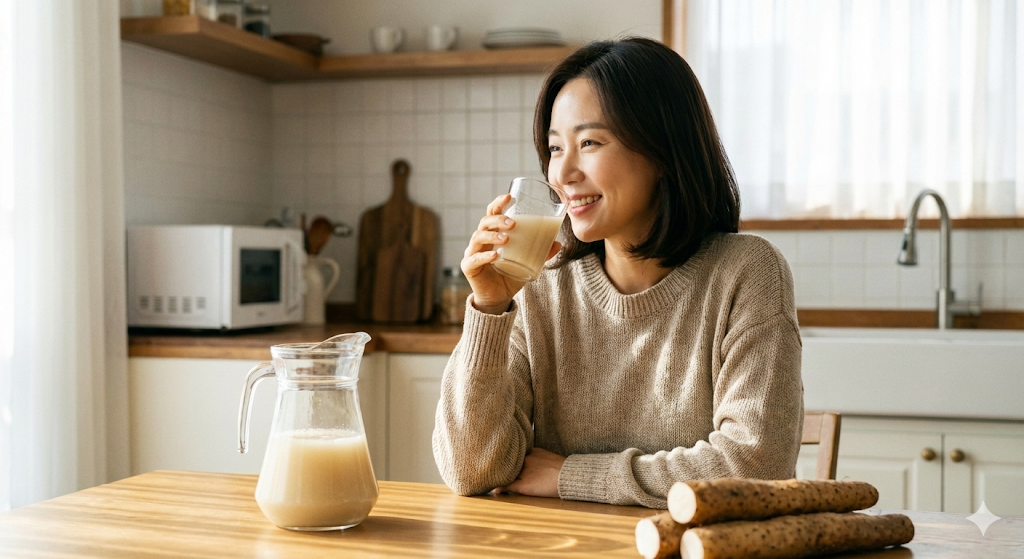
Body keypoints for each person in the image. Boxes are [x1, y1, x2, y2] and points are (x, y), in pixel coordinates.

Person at [432, 37, 804, 508]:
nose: (561, 173)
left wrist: (571, 475)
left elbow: (756, 469)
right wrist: (489, 307)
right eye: (553, 148)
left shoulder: (746, 272)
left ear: (663, 151)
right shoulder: (540, 284)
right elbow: (471, 470)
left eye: (588, 143)